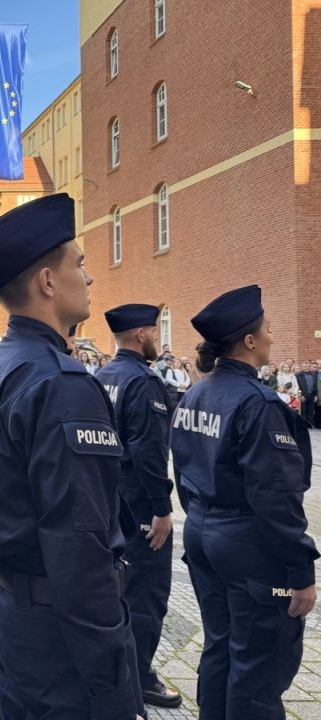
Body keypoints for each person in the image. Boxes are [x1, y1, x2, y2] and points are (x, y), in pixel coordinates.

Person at [0, 193, 143, 719]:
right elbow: (79, 544)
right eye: (80, 265)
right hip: (60, 628)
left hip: (12, 606)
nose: (89, 278)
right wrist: (113, 675)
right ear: (46, 282)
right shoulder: (58, 383)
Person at [171, 285, 318, 719]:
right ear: (249, 341)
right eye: (268, 331)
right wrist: (300, 569)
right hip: (247, 542)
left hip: (202, 532)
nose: (272, 338)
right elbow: (275, 496)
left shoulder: (197, 394)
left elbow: (182, 470)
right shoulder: (257, 403)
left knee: (220, 645)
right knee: (258, 664)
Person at [96, 304, 181, 709]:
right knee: (146, 595)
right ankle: (140, 676)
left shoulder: (103, 375)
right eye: (154, 331)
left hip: (110, 500)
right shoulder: (143, 382)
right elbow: (149, 453)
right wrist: (162, 509)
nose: (157, 339)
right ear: (141, 335)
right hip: (140, 506)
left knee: (116, 592)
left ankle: (117, 672)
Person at [296, 361, 318, 427]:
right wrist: (301, 395)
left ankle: (310, 424)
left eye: (308, 366)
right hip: (303, 395)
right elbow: (298, 385)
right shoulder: (298, 375)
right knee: (303, 411)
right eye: (305, 366)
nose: (306, 368)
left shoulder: (314, 375)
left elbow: (315, 385)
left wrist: (316, 395)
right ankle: (303, 425)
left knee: (310, 410)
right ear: (302, 367)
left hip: (311, 394)